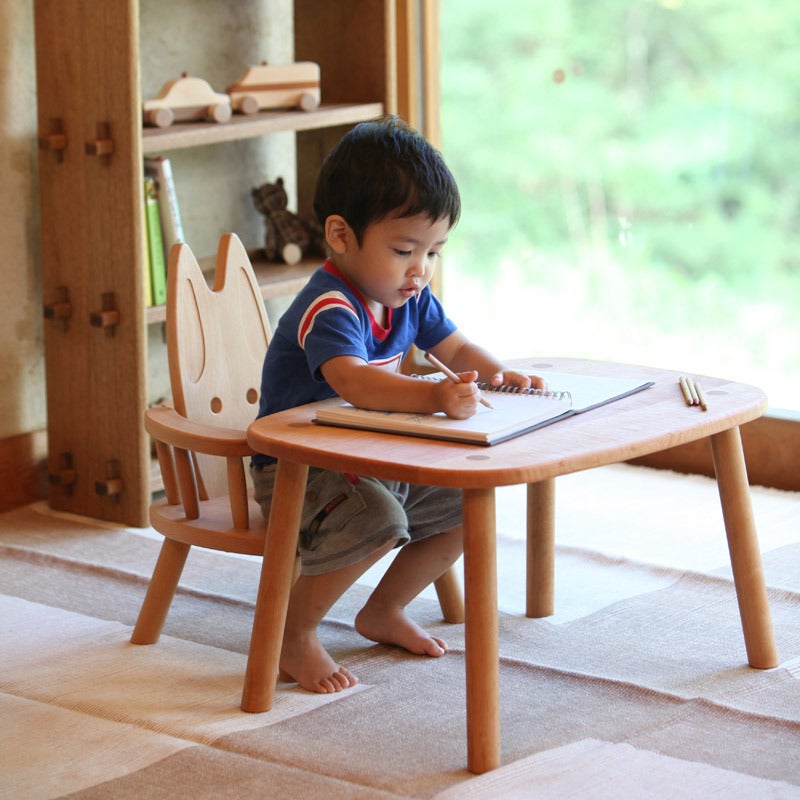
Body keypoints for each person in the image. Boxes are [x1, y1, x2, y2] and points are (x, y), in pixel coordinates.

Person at [250, 115, 541, 694]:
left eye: (434, 251)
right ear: (340, 236)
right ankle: (295, 633)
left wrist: (496, 372)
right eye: (405, 249)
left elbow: (453, 346)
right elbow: (355, 382)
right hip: (298, 469)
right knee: (380, 521)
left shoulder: (407, 296)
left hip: (367, 456)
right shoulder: (330, 305)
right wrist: (434, 396)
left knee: (467, 505)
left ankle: (381, 611)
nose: (420, 269)